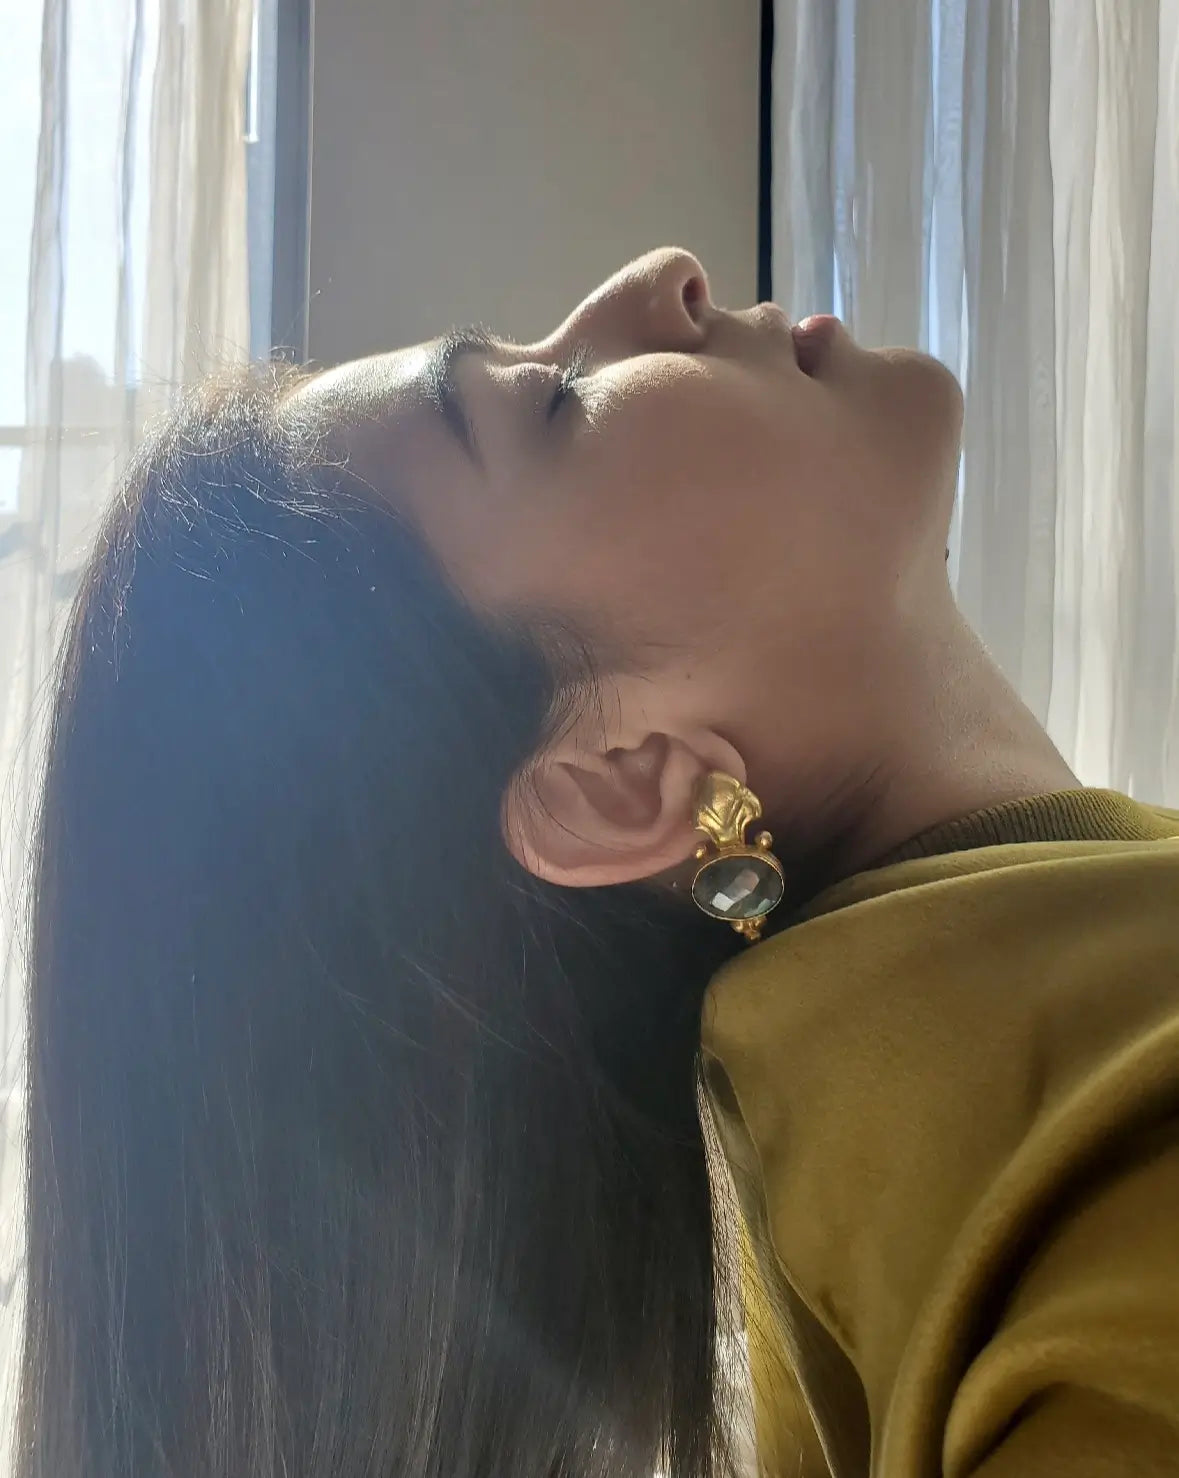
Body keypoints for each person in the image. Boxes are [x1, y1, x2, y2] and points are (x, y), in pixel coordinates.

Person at [16, 248, 1179, 1478]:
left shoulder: (995, 1095)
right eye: (553, 401)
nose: (663, 277)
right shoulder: (1091, 1190)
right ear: (618, 785)